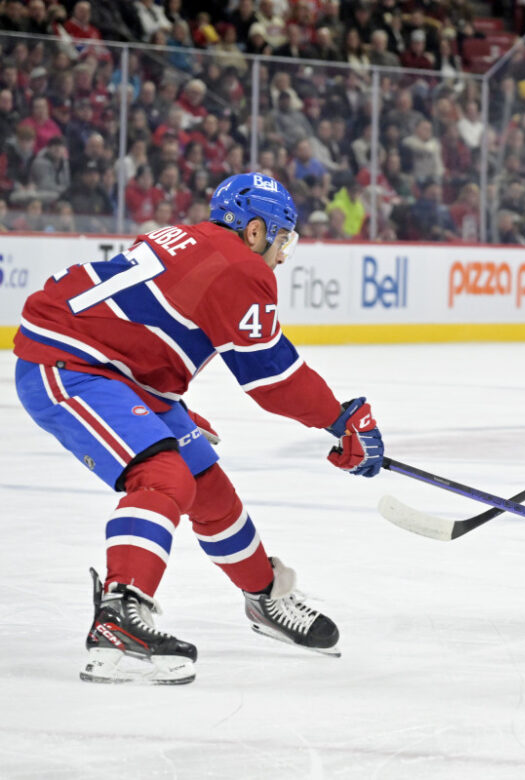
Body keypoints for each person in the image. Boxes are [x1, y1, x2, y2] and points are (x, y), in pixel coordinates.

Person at [13, 172, 385, 685]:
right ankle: (120, 613)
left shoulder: (188, 240)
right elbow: (273, 379)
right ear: (255, 232)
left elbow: (145, 325)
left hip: (117, 369)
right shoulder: (240, 269)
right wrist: (341, 420)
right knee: (166, 477)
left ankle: (264, 597)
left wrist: (165, 400)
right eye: (281, 241)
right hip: (69, 363)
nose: (281, 256)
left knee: (207, 486)